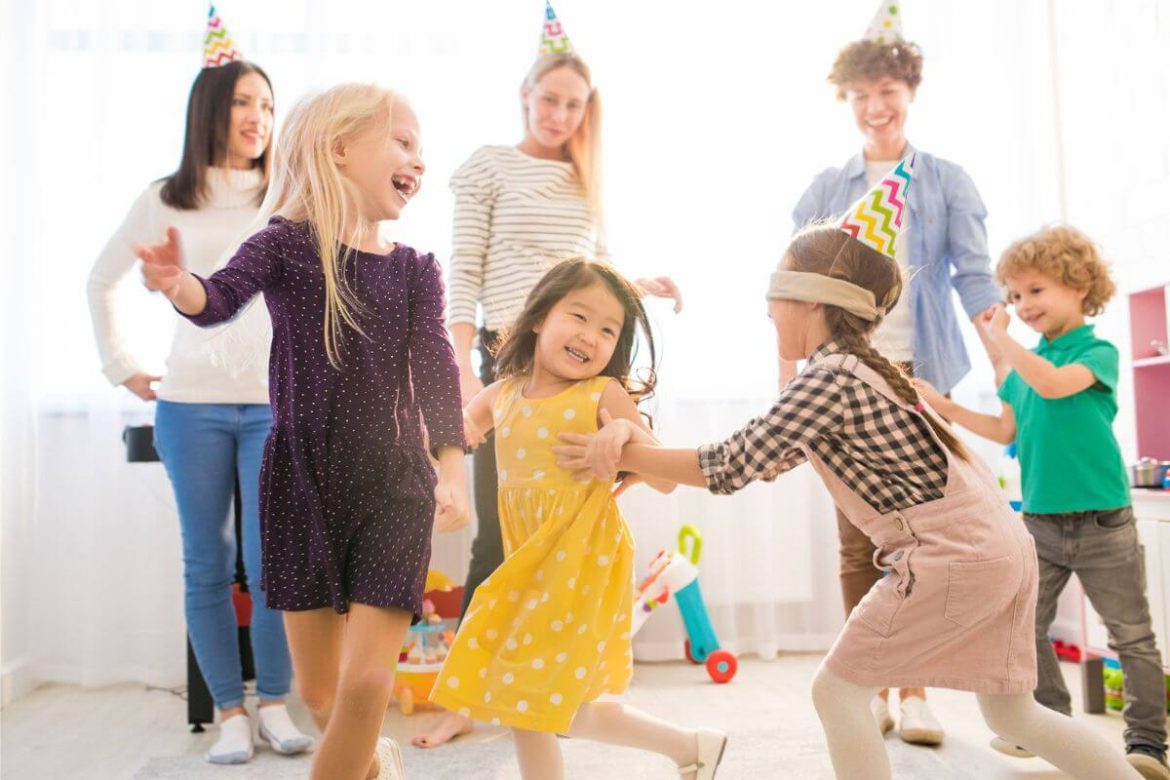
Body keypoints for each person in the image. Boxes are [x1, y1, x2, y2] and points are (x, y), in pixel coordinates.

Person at [556, 165, 1141, 780]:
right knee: (1014, 715)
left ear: (811, 299)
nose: (768, 314)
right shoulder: (858, 369)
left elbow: (730, 464)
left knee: (836, 692)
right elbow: (764, 458)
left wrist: (624, 452)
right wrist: (642, 457)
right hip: (1001, 549)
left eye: (774, 300)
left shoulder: (831, 377)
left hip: (953, 557)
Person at [137, 83, 468, 780]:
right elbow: (217, 298)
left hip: (392, 485)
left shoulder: (416, 271)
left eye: (421, 149)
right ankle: (372, 764)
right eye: (403, 142)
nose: (419, 160)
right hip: (299, 484)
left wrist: (452, 470)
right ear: (339, 148)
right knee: (321, 698)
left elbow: (438, 371)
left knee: (367, 684)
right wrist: (177, 285)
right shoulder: (284, 245)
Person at [415, 8, 681, 749]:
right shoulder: (490, 166)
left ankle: (551, 680)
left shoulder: (584, 178)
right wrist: (461, 371)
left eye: (575, 104)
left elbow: (590, 277)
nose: (562, 115)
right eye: (551, 99)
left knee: (573, 518)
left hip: (579, 367)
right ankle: (467, 693)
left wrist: (636, 286)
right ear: (526, 96)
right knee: (499, 532)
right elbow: (465, 272)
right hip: (508, 362)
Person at [86, 39, 313, 763]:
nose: (259, 117)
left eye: (267, 105)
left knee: (272, 564)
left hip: (273, 405)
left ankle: (274, 703)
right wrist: (123, 368)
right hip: (190, 407)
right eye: (244, 102)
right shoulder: (164, 198)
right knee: (207, 564)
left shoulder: (287, 194)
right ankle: (229, 712)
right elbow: (101, 281)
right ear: (210, 110)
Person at [786, 2, 1004, 742]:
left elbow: (975, 277)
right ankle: (869, 686)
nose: (875, 107)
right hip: (845, 373)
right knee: (859, 535)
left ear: (910, 92)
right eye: (861, 95)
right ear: (847, 100)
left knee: (928, 536)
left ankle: (916, 692)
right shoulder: (827, 188)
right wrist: (791, 374)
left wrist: (1005, 359)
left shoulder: (946, 182)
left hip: (922, 374)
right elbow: (797, 283)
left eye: (887, 92)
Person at [431, 258, 726, 780]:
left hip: (581, 564)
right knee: (541, 699)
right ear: (539, 317)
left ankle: (690, 747)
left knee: (527, 698)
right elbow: (450, 435)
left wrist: (623, 435)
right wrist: (442, 471)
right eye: (580, 317)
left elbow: (664, 478)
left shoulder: (601, 394)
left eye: (609, 329)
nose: (592, 336)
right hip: (528, 564)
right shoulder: (502, 395)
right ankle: (691, 747)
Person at [914, 226, 1169, 779]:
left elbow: (1053, 385)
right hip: (1041, 522)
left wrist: (1000, 342)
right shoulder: (1023, 367)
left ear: (1080, 286)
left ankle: (1148, 744)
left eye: (1035, 290)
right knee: (1023, 626)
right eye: (1015, 294)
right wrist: (944, 408)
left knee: (1131, 635)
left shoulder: (1096, 353)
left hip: (1103, 520)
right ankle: (1052, 727)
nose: (1023, 305)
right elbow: (1004, 428)